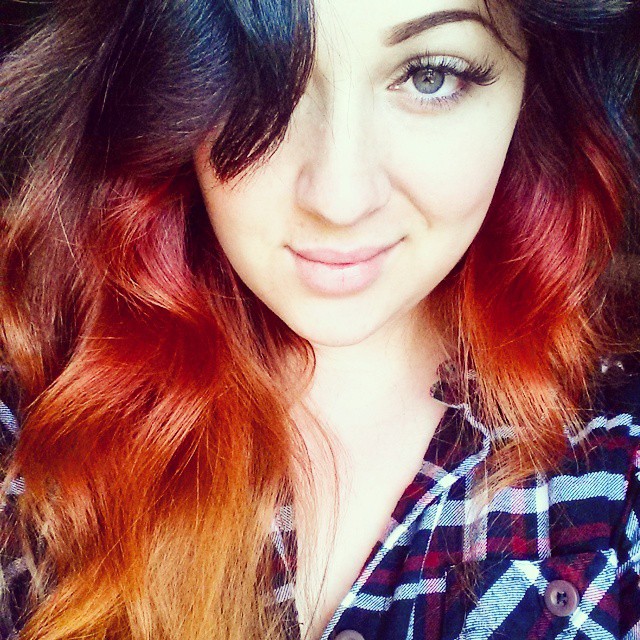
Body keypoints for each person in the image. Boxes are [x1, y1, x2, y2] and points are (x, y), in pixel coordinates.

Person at [0, 0, 639, 639]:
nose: (339, 201)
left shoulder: (619, 459)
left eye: (430, 76)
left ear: (532, 87)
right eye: (260, 74)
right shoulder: (38, 411)